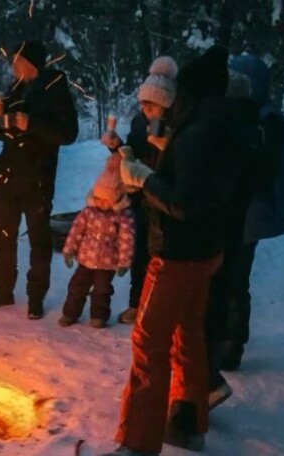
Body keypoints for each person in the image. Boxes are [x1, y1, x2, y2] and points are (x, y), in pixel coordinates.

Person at [102, 46, 238, 456]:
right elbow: (198, 187)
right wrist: (163, 152)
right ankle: (186, 420)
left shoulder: (199, 133)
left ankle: (137, 444)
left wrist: (144, 178)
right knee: (187, 336)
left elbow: (183, 202)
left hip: (178, 253)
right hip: (205, 251)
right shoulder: (217, 125)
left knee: (148, 342)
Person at [0, 40, 79, 320]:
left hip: (37, 179)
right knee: (4, 238)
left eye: (17, 61)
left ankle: (36, 297)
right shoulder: (14, 90)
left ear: (31, 63)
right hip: (9, 177)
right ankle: (3, 290)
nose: (12, 67)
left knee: (39, 241)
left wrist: (31, 124)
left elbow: (68, 133)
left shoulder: (54, 90)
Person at [213, 54, 284, 371]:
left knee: (235, 276)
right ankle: (221, 334)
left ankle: (231, 344)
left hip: (251, 209)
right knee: (226, 273)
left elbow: (262, 170)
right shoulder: (251, 114)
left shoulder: (267, 120)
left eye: (239, 82)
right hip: (240, 206)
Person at [101, 56, 178, 325]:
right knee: (139, 253)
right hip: (140, 198)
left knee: (160, 256)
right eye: (143, 103)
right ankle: (137, 303)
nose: (146, 109)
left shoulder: (177, 127)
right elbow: (132, 154)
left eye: (152, 104)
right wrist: (116, 146)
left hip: (164, 198)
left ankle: (157, 309)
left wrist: (165, 145)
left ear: (166, 103)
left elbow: (181, 166)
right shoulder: (138, 122)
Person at [205, 69, 261, 410]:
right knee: (227, 288)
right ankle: (220, 354)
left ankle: (215, 366)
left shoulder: (235, 131)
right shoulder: (250, 128)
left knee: (221, 292)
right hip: (234, 224)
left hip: (224, 227)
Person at [59, 153, 135, 328]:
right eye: (99, 198)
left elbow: (126, 239)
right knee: (77, 287)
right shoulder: (88, 213)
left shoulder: (123, 217)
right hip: (86, 259)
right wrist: (69, 250)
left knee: (102, 290)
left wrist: (124, 262)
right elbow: (76, 231)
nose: (102, 203)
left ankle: (98, 317)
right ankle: (70, 313)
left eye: (106, 200)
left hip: (107, 263)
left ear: (117, 199)